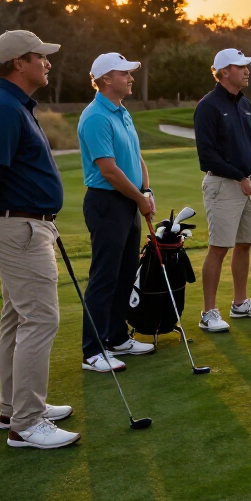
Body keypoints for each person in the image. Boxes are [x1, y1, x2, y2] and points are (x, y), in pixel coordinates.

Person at [0, 30, 79, 449]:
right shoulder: (3, 109)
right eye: (41, 57)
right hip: (19, 228)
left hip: (26, 224)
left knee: (17, 318)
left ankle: (14, 407)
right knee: (41, 318)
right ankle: (26, 424)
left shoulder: (14, 105)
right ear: (19, 63)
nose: (47, 63)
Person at [77, 53, 158, 373]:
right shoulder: (96, 116)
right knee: (104, 276)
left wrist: (146, 192)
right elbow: (109, 171)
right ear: (106, 79)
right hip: (106, 203)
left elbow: (137, 158)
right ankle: (93, 351)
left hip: (128, 201)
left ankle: (116, 336)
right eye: (124, 73)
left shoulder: (122, 112)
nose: (131, 78)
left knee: (125, 273)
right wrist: (139, 198)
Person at [193, 48, 251, 332]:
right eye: (241, 67)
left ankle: (240, 304)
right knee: (219, 248)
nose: (247, 71)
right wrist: (239, 175)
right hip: (223, 185)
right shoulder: (209, 106)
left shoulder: (245, 104)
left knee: (244, 244)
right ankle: (208, 312)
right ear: (225, 71)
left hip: (247, 183)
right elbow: (206, 155)